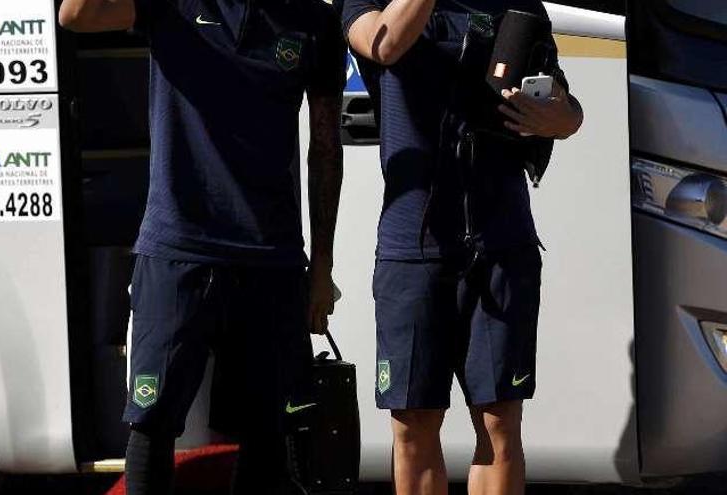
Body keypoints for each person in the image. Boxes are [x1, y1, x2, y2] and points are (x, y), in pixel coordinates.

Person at [59, 0, 346, 493]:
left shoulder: (314, 21)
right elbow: (76, 15)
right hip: (178, 249)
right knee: (152, 427)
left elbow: (325, 147)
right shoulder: (170, 5)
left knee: (268, 438)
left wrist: (321, 269)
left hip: (272, 259)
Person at [335, 0, 583, 494]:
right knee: (413, 427)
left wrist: (555, 116)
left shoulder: (518, 4)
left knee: (499, 424)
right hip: (413, 244)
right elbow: (385, 44)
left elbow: (567, 107)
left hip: (501, 237)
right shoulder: (369, 5)